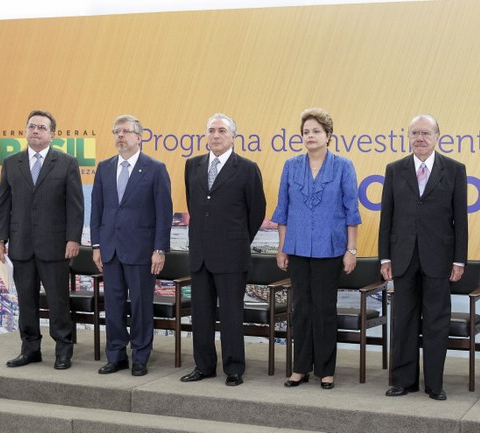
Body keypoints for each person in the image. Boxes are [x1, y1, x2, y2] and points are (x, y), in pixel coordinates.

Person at [380, 114, 468, 401]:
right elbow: (387, 217)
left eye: (426, 133)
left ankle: (434, 384)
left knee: (435, 322)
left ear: (437, 137)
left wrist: (459, 260)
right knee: (403, 320)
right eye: (415, 133)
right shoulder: (395, 169)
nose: (420, 138)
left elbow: (460, 220)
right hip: (402, 256)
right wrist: (384, 258)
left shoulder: (454, 170)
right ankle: (403, 382)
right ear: (408, 137)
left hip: (439, 258)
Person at [272, 108, 361, 390]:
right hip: (297, 249)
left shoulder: (343, 166)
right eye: (306, 132)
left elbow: (352, 212)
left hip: (331, 249)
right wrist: (282, 248)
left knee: (324, 310)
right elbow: (283, 211)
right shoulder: (290, 165)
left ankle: (325, 370)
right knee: (301, 310)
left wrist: (352, 250)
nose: (310, 136)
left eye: (316, 131)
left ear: (328, 136)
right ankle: (300, 368)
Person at [0, 109, 84, 370]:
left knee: (58, 301)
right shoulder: (11, 163)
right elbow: (3, 204)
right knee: (27, 302)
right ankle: (30, 349)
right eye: (31, 126)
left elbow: (75, 206)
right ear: (25, 131)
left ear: (52, 135)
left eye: (42, 127)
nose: (35, 131)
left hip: (55, 246)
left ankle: (63, 351)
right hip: (21, 244)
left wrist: (73, 239)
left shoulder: (67, 162)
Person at [180, 113, 266, 387]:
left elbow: (256, 211)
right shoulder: (192, 165)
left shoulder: (247, 168)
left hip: (232, 254)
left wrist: (237, 239)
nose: (216, 135)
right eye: (211, 130)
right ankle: (203, 366)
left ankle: (234, 368)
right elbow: (196, 206)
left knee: (231, 314)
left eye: (222, 131)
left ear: (233, 137)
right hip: (201, 255)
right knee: (201, 314)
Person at [90, 114, 172, 377]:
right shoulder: (104, 167)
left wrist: (159, 249)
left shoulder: (155, 168)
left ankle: (140, 356)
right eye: (116, 132)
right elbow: (97, 210)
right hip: (111, 250)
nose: (120, 136)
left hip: (141, 251)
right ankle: (115, 355)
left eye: (125, 131)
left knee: (140, 305)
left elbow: (164, 212)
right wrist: (96, 245)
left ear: (139, 137)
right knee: (112, 305)